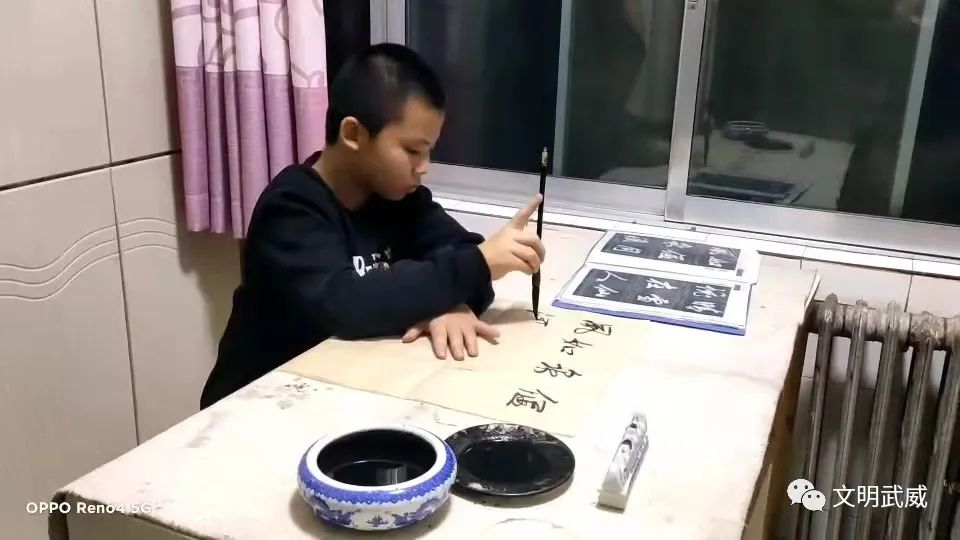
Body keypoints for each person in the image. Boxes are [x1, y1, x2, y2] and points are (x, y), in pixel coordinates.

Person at [200, 44, 546, 409]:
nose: (424, 166)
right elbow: (344, 305)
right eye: (412, 151)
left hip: (340, 390)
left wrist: (449, 302)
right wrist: (467, 272)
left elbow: (463, 255)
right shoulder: (290, 208)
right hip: (255, 406)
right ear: (353, 133)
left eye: (428, 151)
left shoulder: (399, 199)